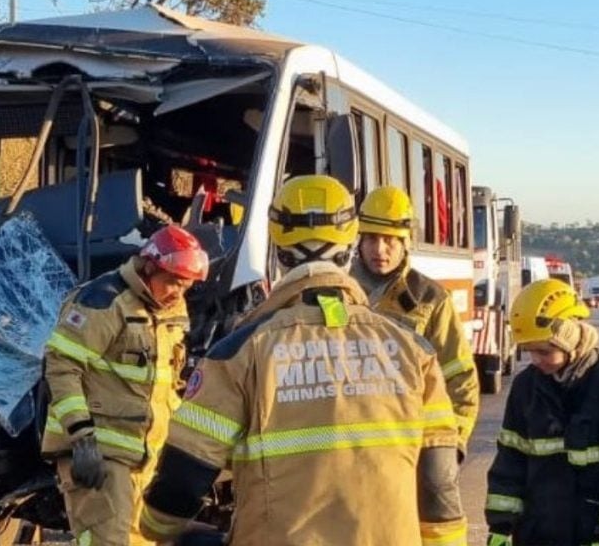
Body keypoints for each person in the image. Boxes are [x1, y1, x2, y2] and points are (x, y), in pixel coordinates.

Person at [138, 175, 465, 545]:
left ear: (278, 249)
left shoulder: (239, 351)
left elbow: (185, 475)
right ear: (349, 249)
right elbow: (439, 485)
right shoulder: (414, 350)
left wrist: (156, 528)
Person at [40, 224, 209, 546]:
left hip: (147, 454)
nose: (178, 293)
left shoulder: (170, 309)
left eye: (185, 286)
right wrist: (82, 439)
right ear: (149, 268)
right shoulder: (103, 302)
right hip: (100, 452)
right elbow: (62, 367)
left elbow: (167, 385)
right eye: (173, 282)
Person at [485, 279, 599, 546]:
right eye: (529, 351)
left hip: (597, 534)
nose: (535, 360)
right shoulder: (526, 387)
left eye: (545, 350)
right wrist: (500, 527)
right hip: (538, 533)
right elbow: (510, 461)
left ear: (569, 338)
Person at [350, 185, 479, 539]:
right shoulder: (339, 292)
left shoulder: (429, 299)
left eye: (391, 239)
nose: (380, 249)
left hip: (409, 449)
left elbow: (460, 378)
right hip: (349, 448)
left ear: (406, 242)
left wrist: (451, 448)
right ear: (358, 240)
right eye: (372, 238)